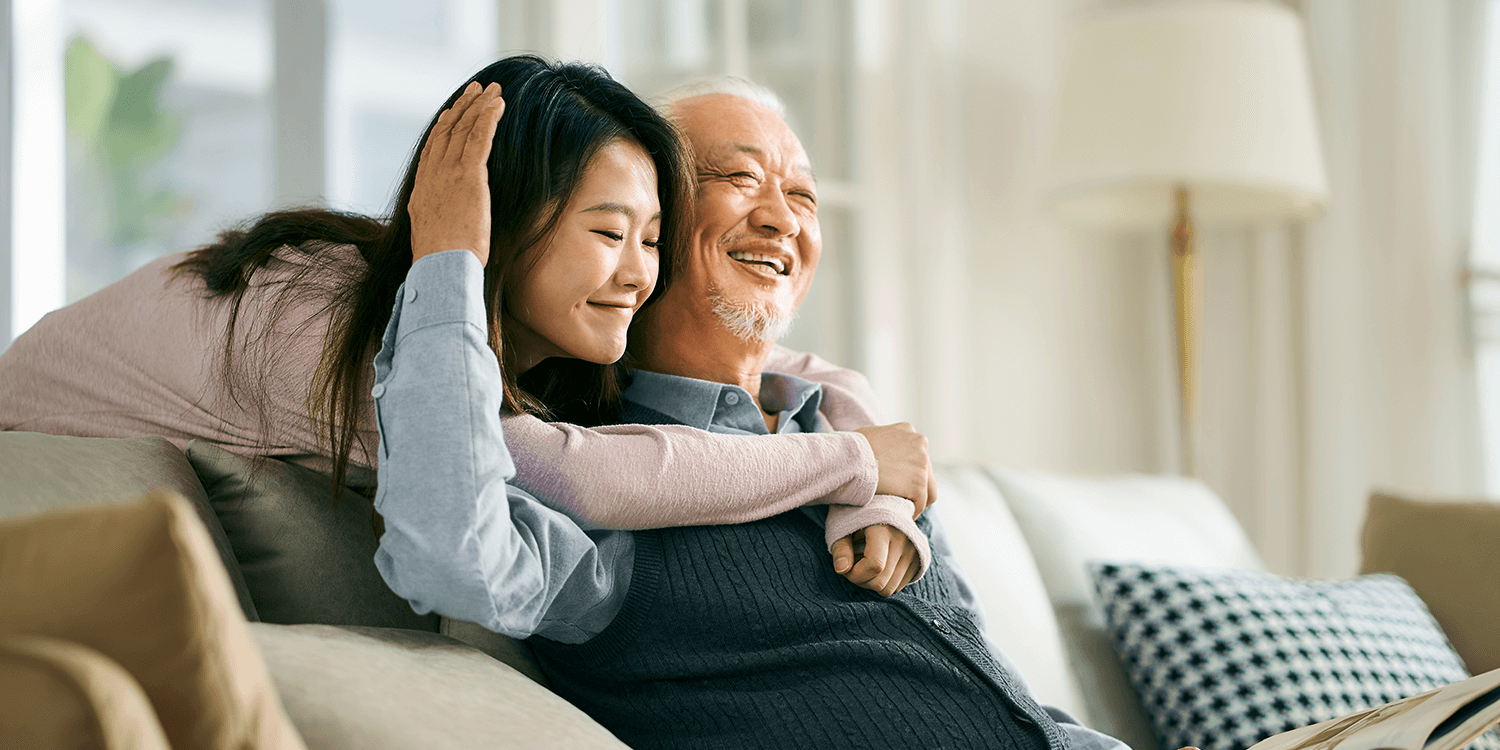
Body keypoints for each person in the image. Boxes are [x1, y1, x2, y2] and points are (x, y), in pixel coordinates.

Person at [373, 73, 1144, 748]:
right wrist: (450, 264)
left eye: (802, 194)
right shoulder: (583, 491)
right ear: (652, 217)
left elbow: (991, 690)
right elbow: (453, 558)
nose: (784, 219)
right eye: (740, 179)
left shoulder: (858, 439)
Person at [0, 55, 934, 594]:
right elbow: (551, 494)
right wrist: (850, 464)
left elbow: (792, 366)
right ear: (498, 222)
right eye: (608, 233)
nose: (637, 274)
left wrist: (878, 475)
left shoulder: (539, 334)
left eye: (652, 239)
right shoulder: (336, 321)